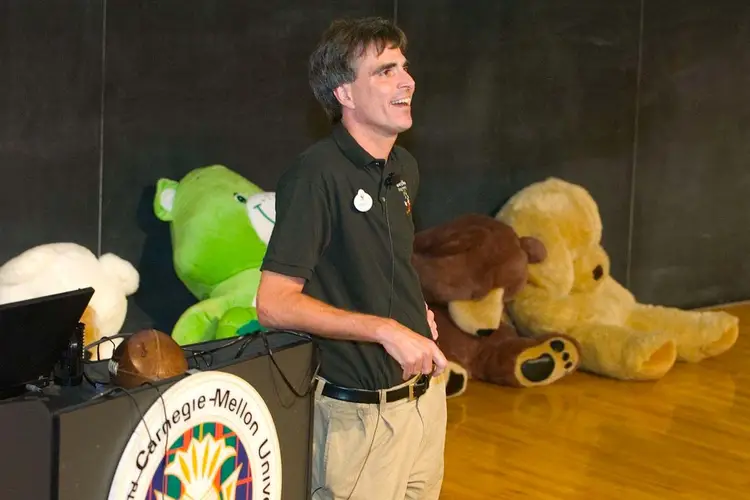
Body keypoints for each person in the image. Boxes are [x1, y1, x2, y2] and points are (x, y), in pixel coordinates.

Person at [256, 16, 448, 500]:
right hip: (360, 418)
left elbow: (385, 260)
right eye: (385, 71)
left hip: (426, 401)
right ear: (344, 94)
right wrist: (385, 329)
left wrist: (413, 309)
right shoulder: (315, 176)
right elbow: (274, 303)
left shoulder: (404, 167)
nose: (407, 80)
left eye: (403, 66)